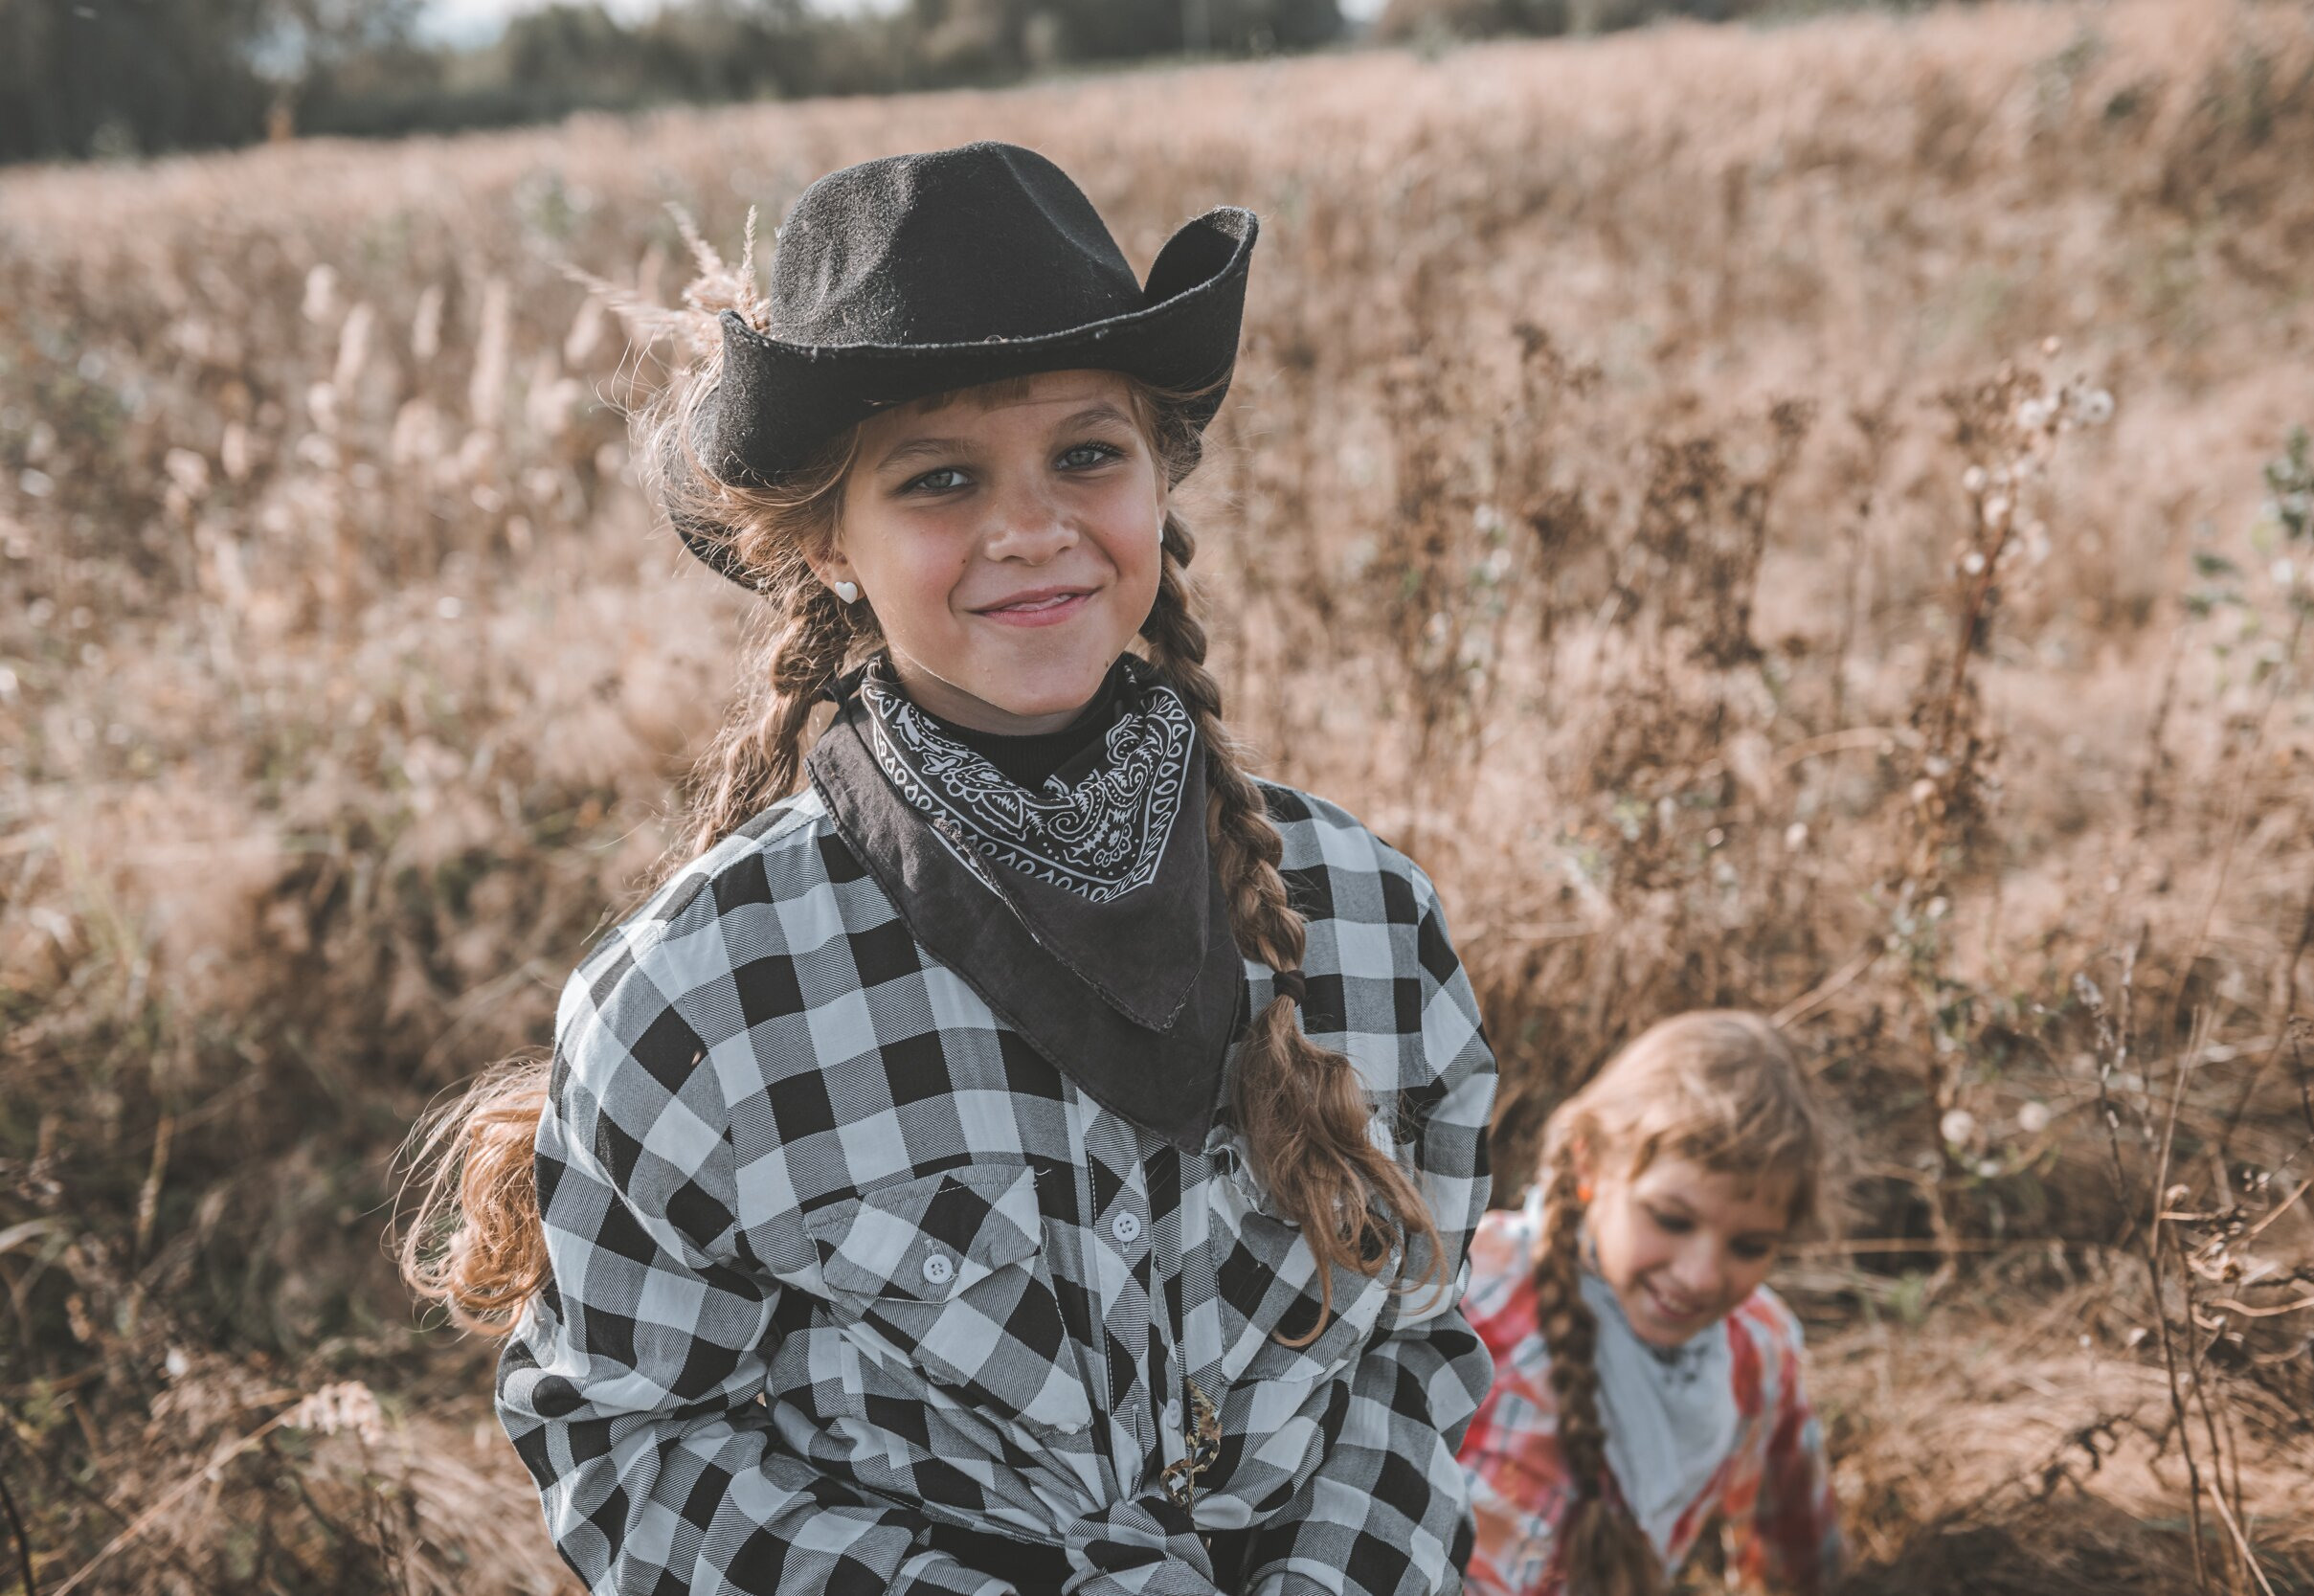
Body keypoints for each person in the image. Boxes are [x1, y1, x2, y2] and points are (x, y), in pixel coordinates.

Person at [402, 141, 1498, 1596]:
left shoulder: (1364, 917)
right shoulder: (703, 998)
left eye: (1088, 454)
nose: (1031, 526)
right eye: (939, 479)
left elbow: (1414, 1348)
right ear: (828, 546)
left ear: (1159, 480)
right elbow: (633, 1442)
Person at [1456, 1012, 1844, 1596]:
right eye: (1669, 1220)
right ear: (1590, 1163)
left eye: (1750, 1246)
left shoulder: (1755, 1348)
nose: (1700, 1276)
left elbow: (1798, 1554)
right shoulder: (1470, 1294)